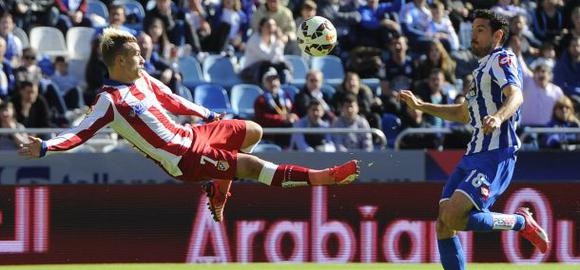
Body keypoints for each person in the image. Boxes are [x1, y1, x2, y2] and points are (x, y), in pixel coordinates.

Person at [17, 28, 360, 223]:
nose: (144, 59)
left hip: (194, 133)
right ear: (119, 61)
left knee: (252, 131)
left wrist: (207, 115)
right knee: (253, 166)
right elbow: (81, 131)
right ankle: (321, 178)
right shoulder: (110, 101)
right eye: (137, 55)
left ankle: (219, 193)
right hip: (184, 158)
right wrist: (47, 146)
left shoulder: (143, 79)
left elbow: (172, 100)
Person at [399, 10, 550, 270]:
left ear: (497, 35)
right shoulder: (480, 70)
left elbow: (517, 96)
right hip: (472, 155)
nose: (474, 35)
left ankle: (522, 223)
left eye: (481, 30)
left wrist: (499, 116)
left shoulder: (502, 59)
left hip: (497, 154)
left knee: (454, 215)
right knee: (444, 221)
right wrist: (421, 106)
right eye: (473, 30)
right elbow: (463, 114)